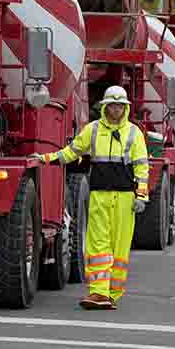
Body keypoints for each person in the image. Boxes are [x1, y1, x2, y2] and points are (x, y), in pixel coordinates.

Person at [29, 86, 149, 310]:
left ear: (125, 108)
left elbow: (142, 168)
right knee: (97, 245)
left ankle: (113, 294)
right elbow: (70, 152)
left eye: (120, 106)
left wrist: (141, 196)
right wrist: (45, 158)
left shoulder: (134, 133)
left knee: (120, 248)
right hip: (99, 196)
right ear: (105, 107)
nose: (116, 109)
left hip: (125, 199)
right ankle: (98, 293)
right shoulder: (92, 130)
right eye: (112, 105)